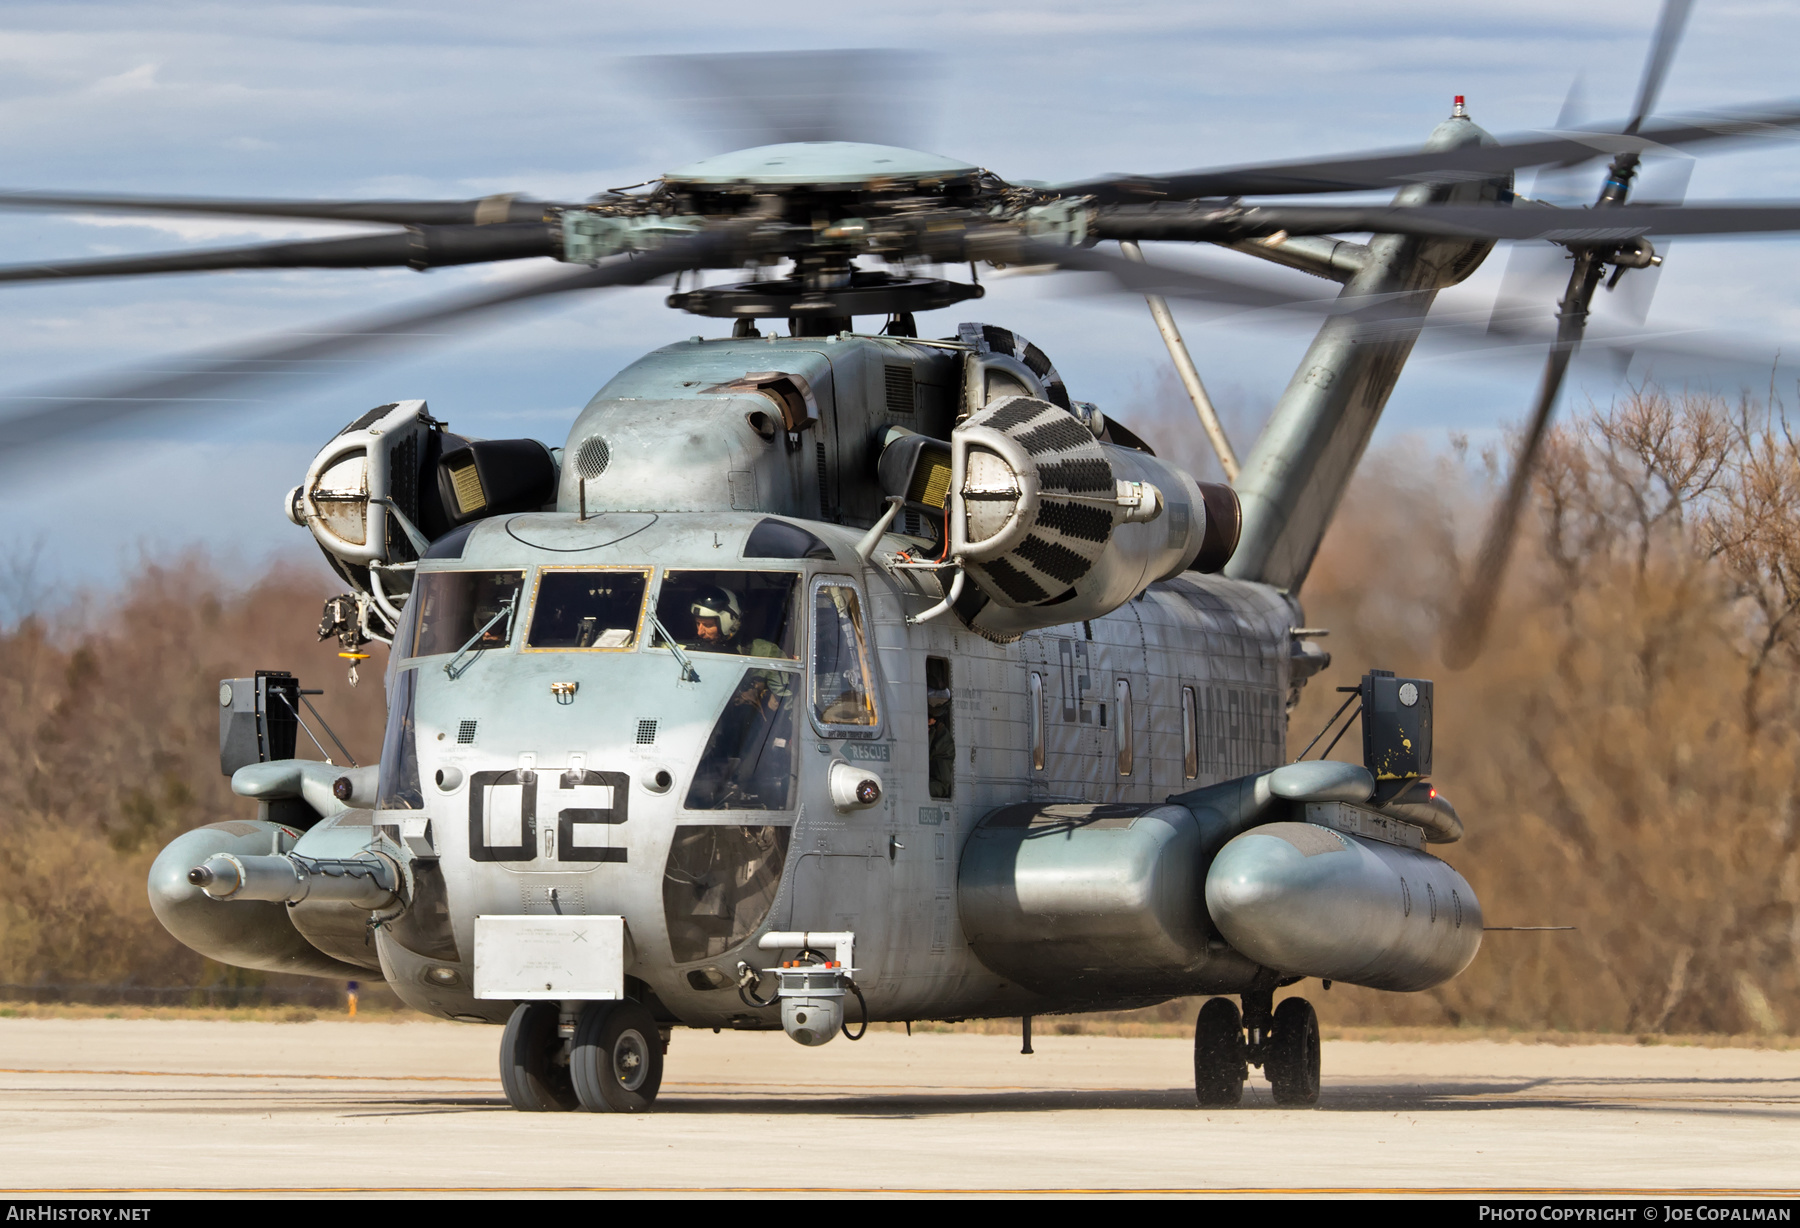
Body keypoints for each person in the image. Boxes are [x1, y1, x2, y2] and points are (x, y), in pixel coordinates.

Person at [690, 585, 781, 657]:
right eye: (698, 623)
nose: (699, 632)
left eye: (708, 625)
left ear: (728, 623)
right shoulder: (689, 652)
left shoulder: (765, 652)